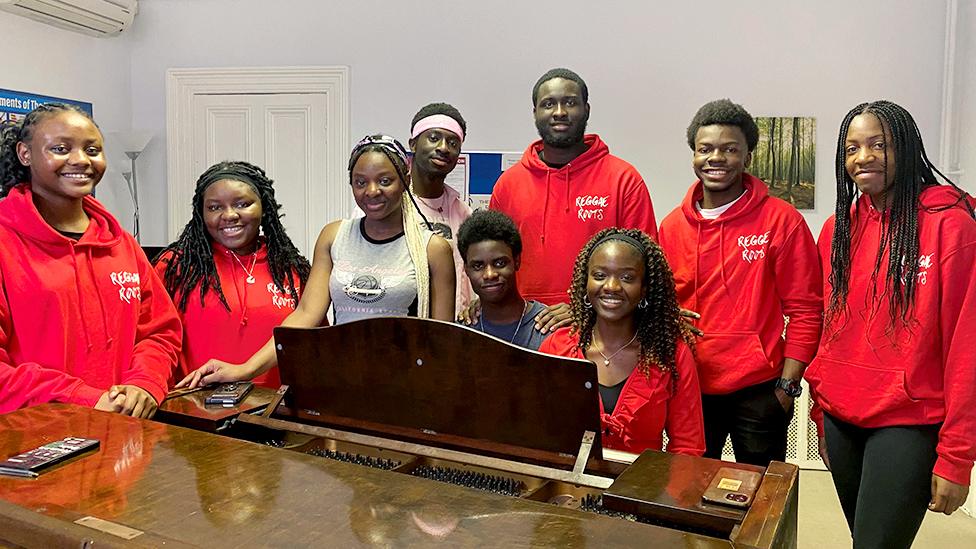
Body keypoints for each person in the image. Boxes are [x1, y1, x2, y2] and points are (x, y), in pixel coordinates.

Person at [805, 100, 976, 548]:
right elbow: (830, 328)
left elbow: (967, 346)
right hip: (842, 417)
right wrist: (821, 412)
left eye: (878, 144)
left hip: (909, 420)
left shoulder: (951, 225)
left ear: (906, 146)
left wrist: (957, 457)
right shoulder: (837, 230)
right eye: (852, 148)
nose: (863, 158)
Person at [178, 135, 455, 388]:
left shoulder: (433, 249)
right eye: (360, 182)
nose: (372, 191)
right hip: (345, 381)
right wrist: (245, 369)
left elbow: (441, 341)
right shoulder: (335, 236)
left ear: (405, 179)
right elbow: (306, 315)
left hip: (405, 384)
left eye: (385, 181)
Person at [657, 99, 822, 466]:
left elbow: (807, 310)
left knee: (760, 502)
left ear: (747, 156)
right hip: (690, 385)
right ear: (694, 156)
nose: (716, 158)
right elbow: (659, 305)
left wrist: (787, 386)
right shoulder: (671, 227)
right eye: (706, 149)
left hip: (761, 388)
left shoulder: (782, 221)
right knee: (689, 491)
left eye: (729, 149)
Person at [0, 103, 181, 417]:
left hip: (123, 432)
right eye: (60, 148)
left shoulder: (121, 244)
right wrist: (80, 396)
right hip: (31, 444)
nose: (81, 160)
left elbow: (160, 332)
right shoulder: (5, 241)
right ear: (25, 154)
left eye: (93, 149)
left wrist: (144, 383)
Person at [489, 68, 657, 306]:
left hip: (601, 327)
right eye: (548, 104)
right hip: (523, 323)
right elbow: (492, 261)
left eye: (569, 102)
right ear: (535, 113)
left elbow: (644, 265)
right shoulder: (508, 184)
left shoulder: (624, 180)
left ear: (586, 110)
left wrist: (582, 309)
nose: (559, 112)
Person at [538, 228, 704, 455]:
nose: (612, 287)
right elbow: (539, 432)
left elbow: (687, 447)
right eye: (599, 275)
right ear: (585, 282)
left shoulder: (671, 354)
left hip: (642, 487)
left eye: (627, 278)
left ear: (645, 289)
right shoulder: (555, 348)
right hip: (567, 487)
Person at [154, 161, 310, 387]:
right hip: (194, 411)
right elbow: (150, 340)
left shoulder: (291, 268)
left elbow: (311, 345)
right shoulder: (175, 267)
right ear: (201, 213)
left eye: (242, 204)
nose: (229, 215)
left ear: (263, 207)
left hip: (275, 412)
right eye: (214, 207)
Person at [407, 102, 474, 314]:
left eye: (453, 142)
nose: (444, 147)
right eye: (434, 138)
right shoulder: (386, 207)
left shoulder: (464, 214)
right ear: (414, 144)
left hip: (454, 334)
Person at [457, 209, 551, 350]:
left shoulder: (548, 327)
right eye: (478, 266)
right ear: (466, 269)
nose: (490, 274)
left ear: (517, 261)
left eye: (499, 263)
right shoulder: (460, 334)